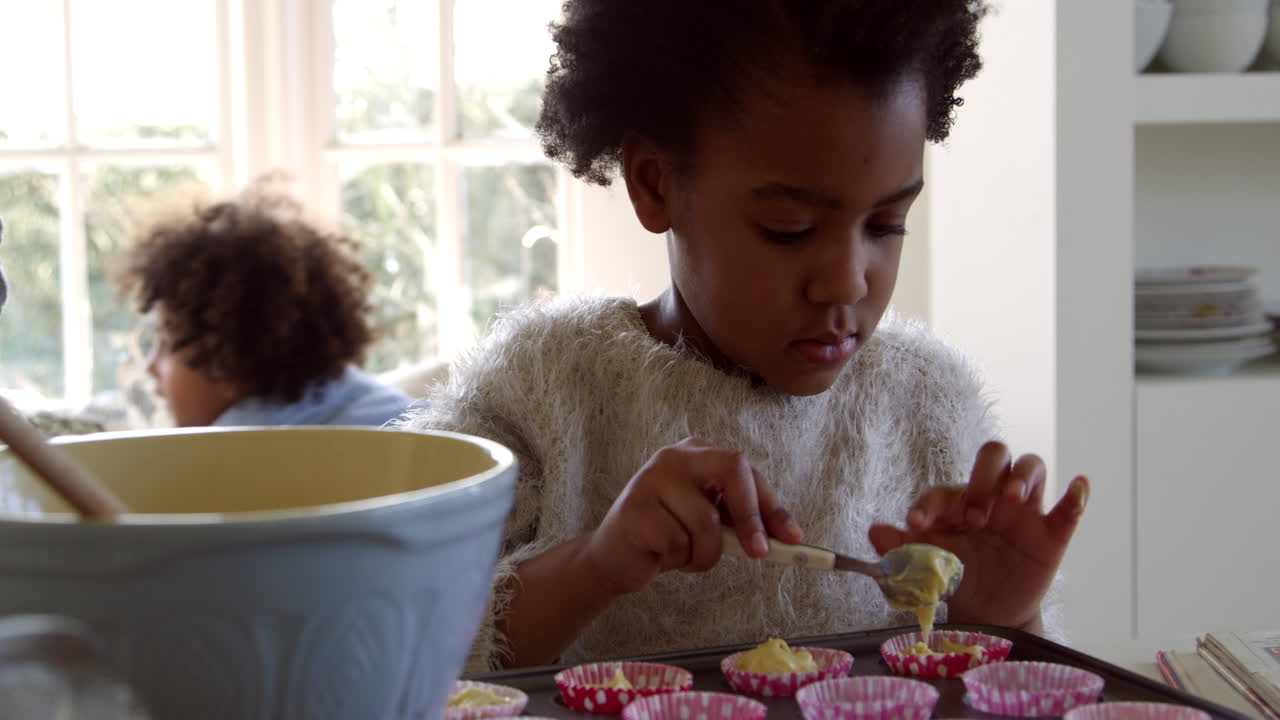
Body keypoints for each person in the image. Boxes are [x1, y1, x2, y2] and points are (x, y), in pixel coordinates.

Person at [401, 0, 1090, 674]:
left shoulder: (929, 405)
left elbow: (993, 688)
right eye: (788, 228)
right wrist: (595, 565)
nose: (847, 283)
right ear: (655, 182)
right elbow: (401, 641)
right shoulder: (543, 385)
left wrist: (1006, 623)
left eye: (886, 224)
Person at [118, 181, 410, 428]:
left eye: (167, 344)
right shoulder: (398, 412)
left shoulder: (220, 456)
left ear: (227, 362)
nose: (150, 366)